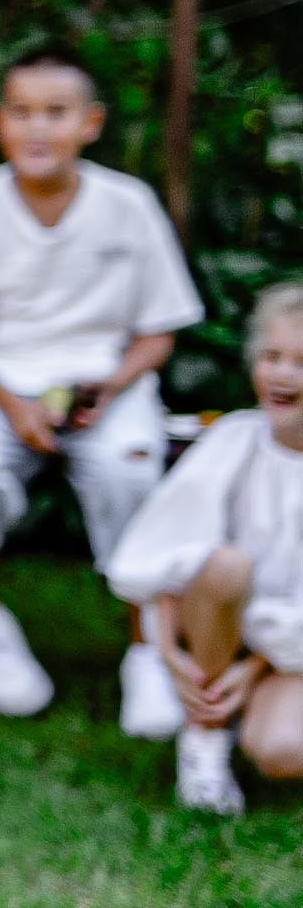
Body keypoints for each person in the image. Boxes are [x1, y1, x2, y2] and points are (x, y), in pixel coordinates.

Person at [0, 45, 204, 723]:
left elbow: (159, 328)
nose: (38, 128)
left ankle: (147, 651)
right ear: (0, 122)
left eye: (56, 113)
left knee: (131, 470)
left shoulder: (128, 205)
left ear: (90, 123)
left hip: (107, 386)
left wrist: (114, 382)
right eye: (22, 112)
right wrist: (13, 405)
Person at [103, 283, 303, 814]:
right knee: (226, 566)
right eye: (272, 357)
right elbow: (164, 555)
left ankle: (244, 710)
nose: (282, 375)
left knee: (283, 752)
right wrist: (167, 650)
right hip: (211, 621)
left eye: (301, 363)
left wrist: (253, 669)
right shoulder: (234, 439)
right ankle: (205, 733)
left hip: (288, 648)